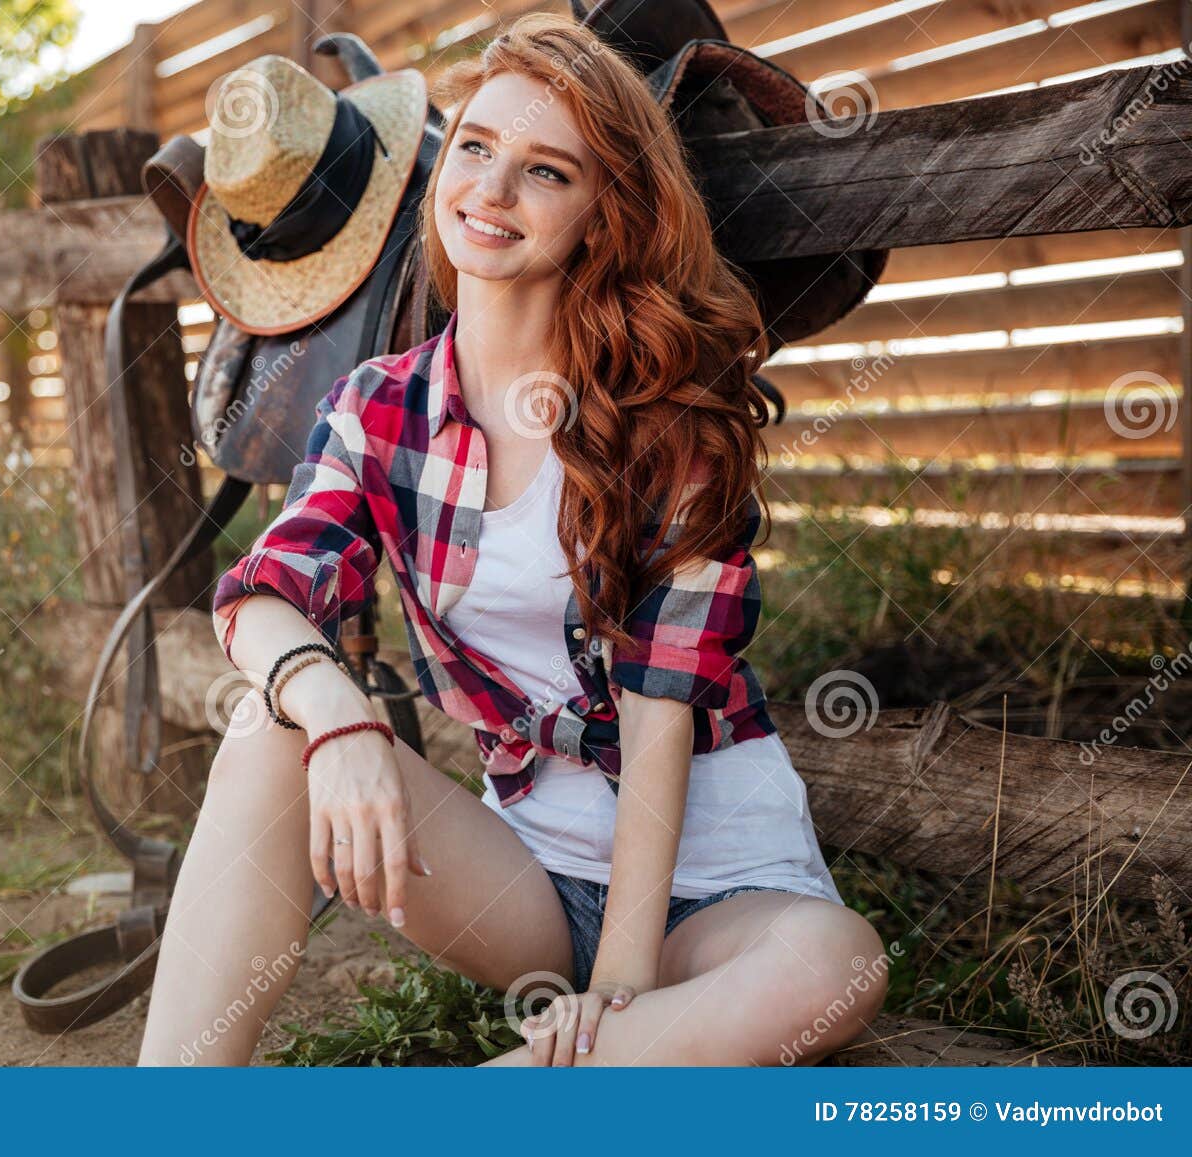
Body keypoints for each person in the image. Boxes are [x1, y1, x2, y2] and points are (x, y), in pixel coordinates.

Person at [138, 12, 886, 1067]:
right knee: (274, 731)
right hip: (526, 877)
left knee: (836, 965)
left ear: (599, 215)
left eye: (545, 172)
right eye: (478, 148)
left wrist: (619, 984)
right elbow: (264, 592)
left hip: (712, 887)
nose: (489, 190)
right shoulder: (377, 406)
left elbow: (658, 705)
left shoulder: (666, 415)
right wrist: (341, 721)